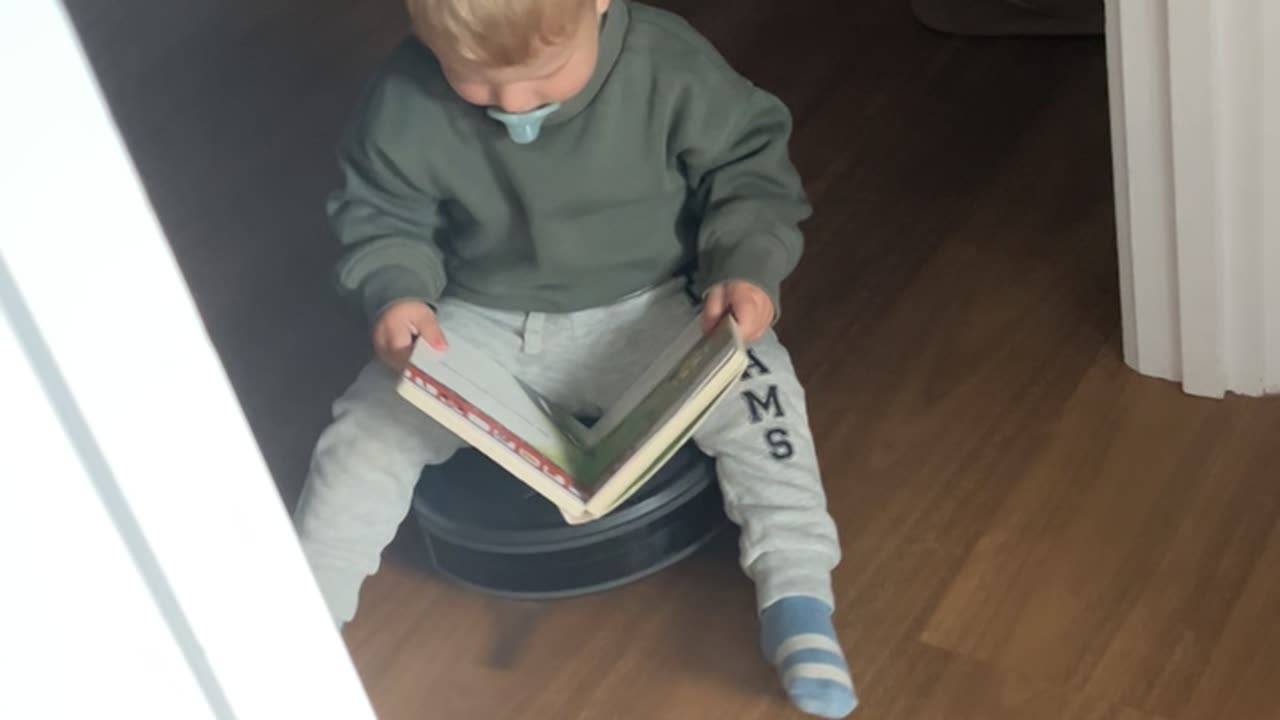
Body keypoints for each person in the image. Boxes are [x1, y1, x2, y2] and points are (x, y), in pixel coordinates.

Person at [292, 0, 853, 716]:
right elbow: (380, 214)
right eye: (475, 78)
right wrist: (396, 292)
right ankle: (307, 621)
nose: (514, 105)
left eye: (544, 73)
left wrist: (743, 268)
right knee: (365, 430)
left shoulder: (667, 64)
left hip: (655, 307)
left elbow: (750, 173)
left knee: (763, 396)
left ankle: (799, 597)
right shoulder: (404, 98)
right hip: (480, 318)